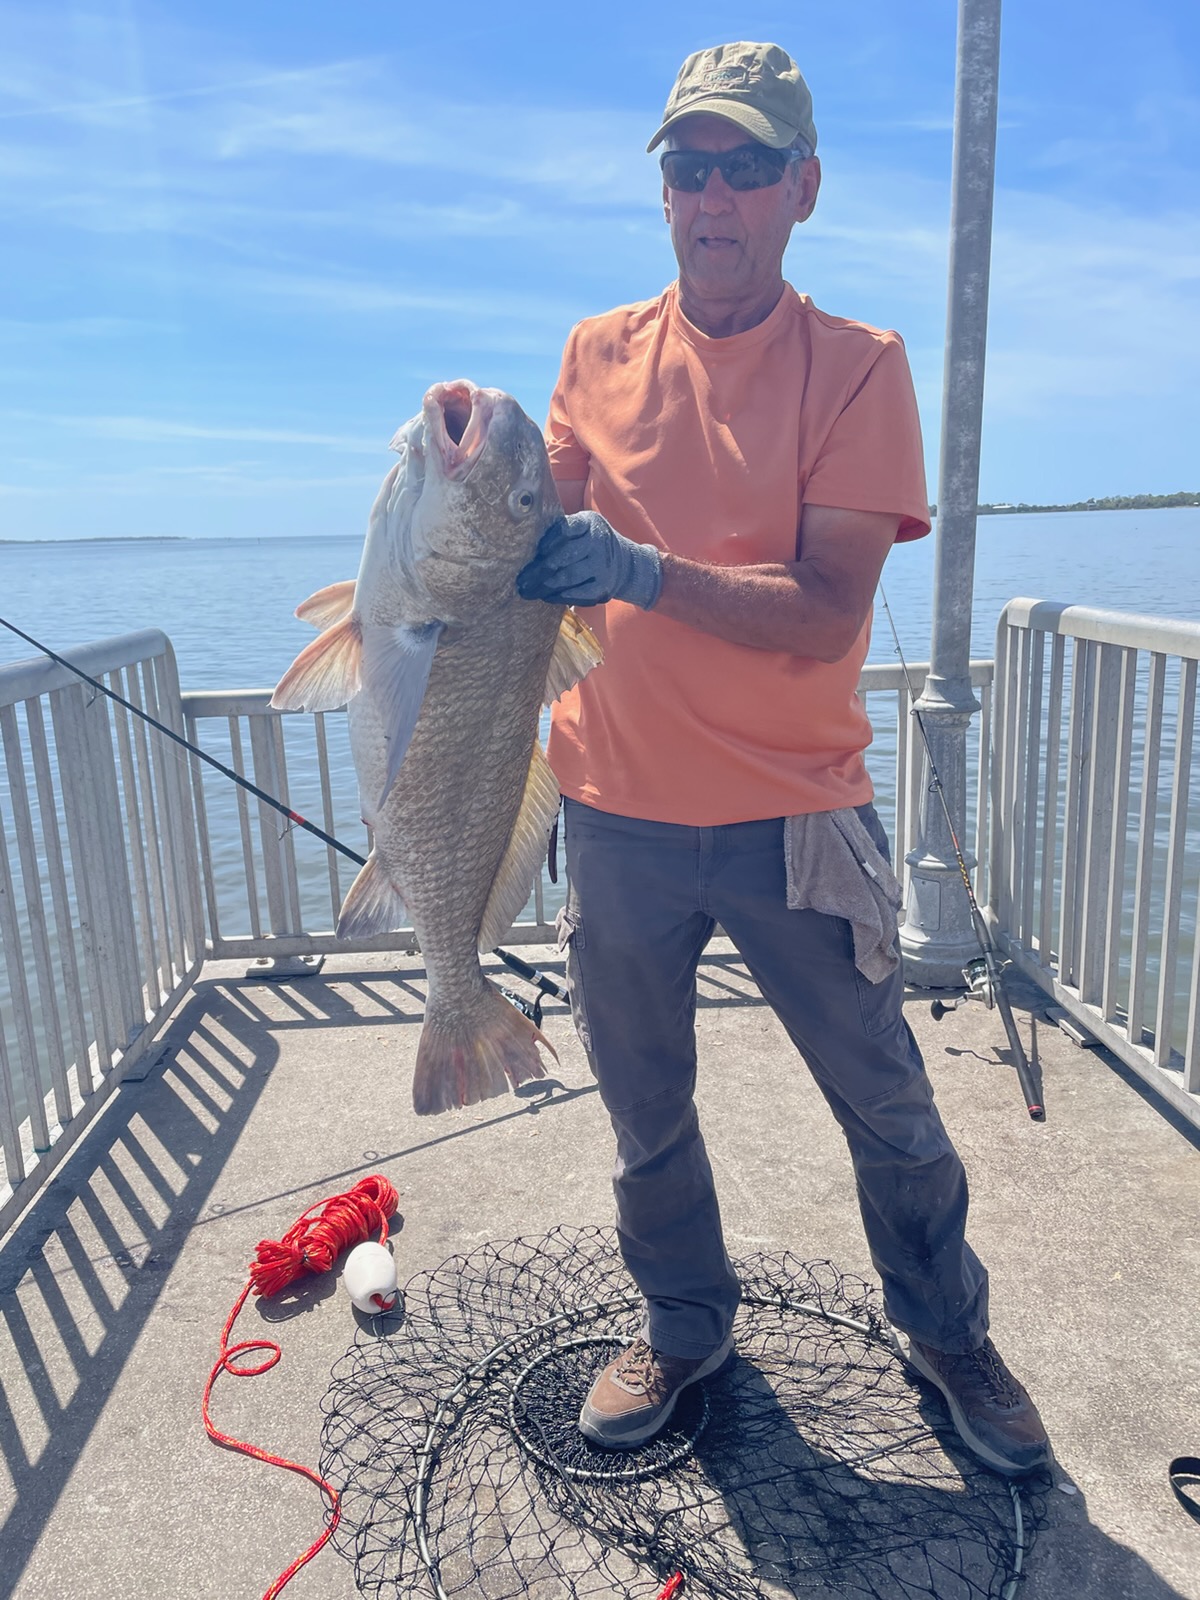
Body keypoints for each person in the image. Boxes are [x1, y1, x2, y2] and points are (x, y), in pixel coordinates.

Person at [516, 40, 1049, 1478]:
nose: (715, 195)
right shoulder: (593, 353)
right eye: (690, 167)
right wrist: (456, 485)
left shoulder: (859, 366)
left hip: (796, 815)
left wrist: (640, 567)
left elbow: (825, 613)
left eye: (748, 166)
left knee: (888, 1105)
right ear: (664, 193)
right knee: (644, 1111)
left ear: (803, 187)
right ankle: (683, 1326)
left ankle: (948, 1332)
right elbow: (530, 559)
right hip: (614, 815)